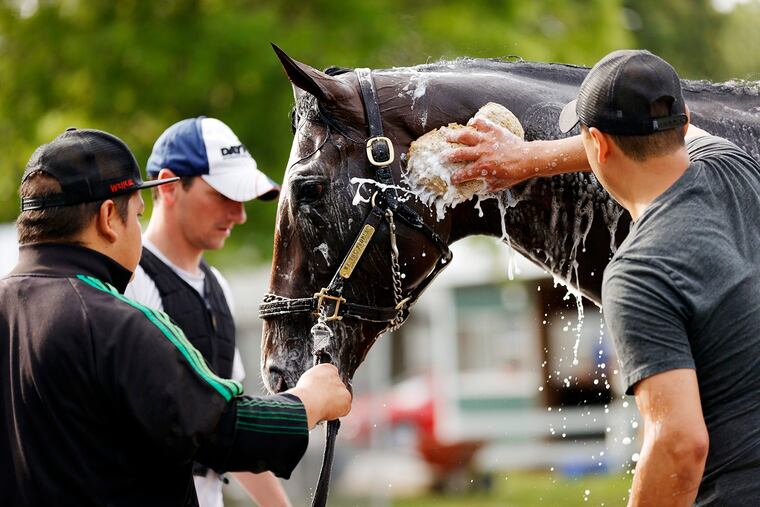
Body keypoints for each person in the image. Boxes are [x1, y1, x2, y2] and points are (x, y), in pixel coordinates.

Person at [446, 49, 760, 506]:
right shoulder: (735, 167)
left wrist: (525, 157)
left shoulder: (638, 273)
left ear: (599, 144)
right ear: (683, 115)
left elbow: (680, 444)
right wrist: (528, 158)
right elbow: (686, 136)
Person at [0, 128, 352, 507]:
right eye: (136, 214)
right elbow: (222, 428)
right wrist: (310, 399)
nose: (239, 213)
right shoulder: (115, 322)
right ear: (107, 217)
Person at [124, 116, 289, 507]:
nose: (240, 214)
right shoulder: (130, 284)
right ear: (167, 186)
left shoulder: (219, 287)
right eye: (223, 195)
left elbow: (227, 426)